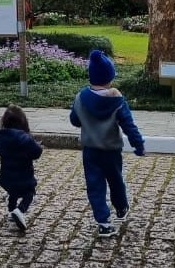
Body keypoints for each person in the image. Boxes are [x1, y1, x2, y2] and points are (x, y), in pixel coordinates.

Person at [69, 49, 145, 239]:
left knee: (95, 186)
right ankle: (120, 207)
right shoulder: (117, 100)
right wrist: (138, 144)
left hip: (90, 151)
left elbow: (74, 120)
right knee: (116, 180)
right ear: (110, 76)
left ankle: (103, 222)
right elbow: (128, 124)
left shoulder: (80, 98)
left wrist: (86, 120)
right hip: (111, 151)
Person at [0, 104, 43, 232]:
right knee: (29, 193)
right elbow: (37, 152)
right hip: (24, 177)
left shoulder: (0, 137)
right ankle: (19, 211)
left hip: (6, 178)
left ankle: (11, 211)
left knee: (13, 193)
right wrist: (36, 145)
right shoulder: (25, 139)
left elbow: (0, 151)